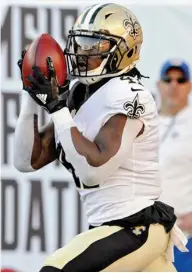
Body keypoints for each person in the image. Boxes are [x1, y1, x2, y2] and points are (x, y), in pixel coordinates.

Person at [13, 3, 187, 272]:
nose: (83, 53)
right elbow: (26, 160)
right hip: (115, 229)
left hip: (133, 227)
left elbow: (96, 170)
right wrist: (31, 96)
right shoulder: (79, 93)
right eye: (80, 43)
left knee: (56, 269)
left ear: (123, 50)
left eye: (95, 46)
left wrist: (57, 109)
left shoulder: (131, 95)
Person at [157, 59, 192, 272]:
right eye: (168, 79)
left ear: (189, 86)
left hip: (185, 239)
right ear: (158, 85)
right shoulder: (146, 124)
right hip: (148, 237)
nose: (174, 85)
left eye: (181, 80)